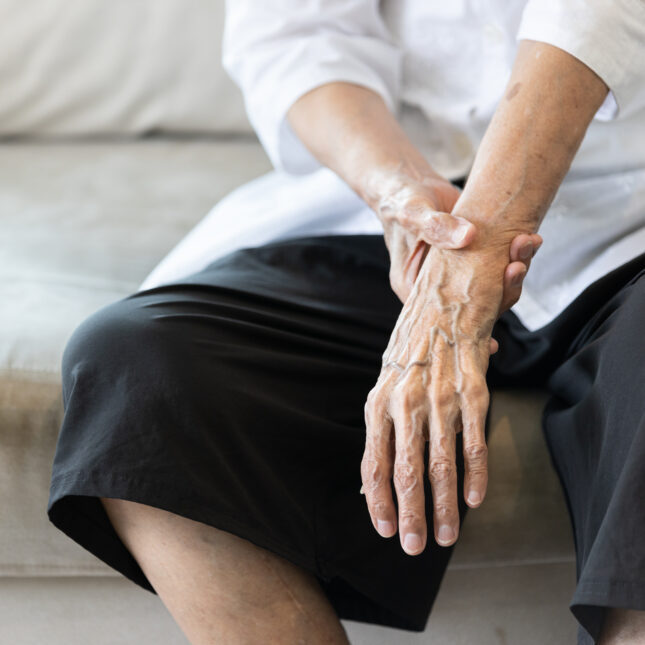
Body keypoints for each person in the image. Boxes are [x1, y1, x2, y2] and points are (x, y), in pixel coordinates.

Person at [47, 1, 645, 644]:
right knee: (136, 368)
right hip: (398, 216)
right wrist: (397, 190)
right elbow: (295, 32)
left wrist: (469, 265)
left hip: (626, 209)